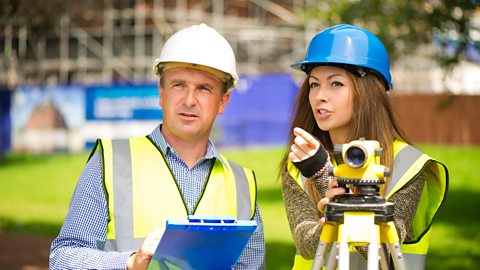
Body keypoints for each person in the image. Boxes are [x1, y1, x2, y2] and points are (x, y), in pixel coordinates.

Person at [50, 23, 266, 270]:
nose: (189, 100)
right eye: (178, 85)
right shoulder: (110, 162)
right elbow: (63, 259)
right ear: (161, 92)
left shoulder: (242, 184)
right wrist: (130, 262)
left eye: (204, 89)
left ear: (222, 102)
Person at [280, 24, 448, 269]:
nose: (320, 96)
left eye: (335, 84)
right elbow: (306, 246)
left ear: (367, 92)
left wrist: (326, 178)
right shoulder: (301, 162)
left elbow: (381, 251)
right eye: (314, 84)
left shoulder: (408, 165)